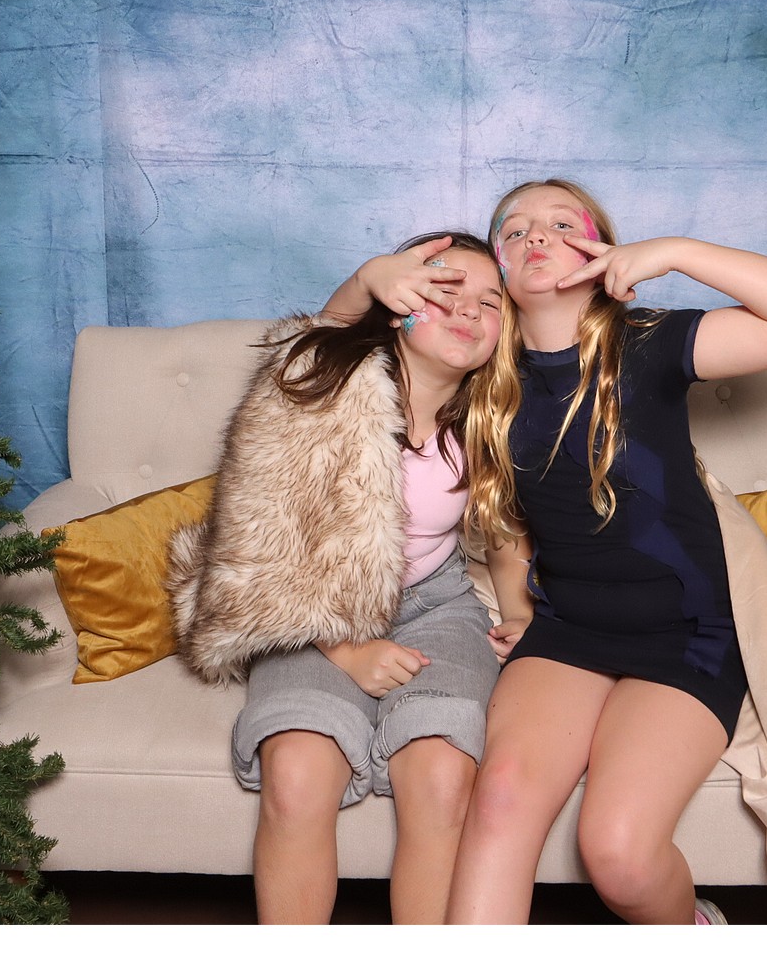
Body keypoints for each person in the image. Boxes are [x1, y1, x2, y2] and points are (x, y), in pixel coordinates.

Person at [437, 178, 767, 925]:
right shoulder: (480, 374)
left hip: (686, 634)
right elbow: (507, 520)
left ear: (601, 250)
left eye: (561, 224)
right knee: (497, 800)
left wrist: (677, 251)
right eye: (514, 230)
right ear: (497, 267)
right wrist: (519, 612)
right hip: (568, 630)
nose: (536, 235)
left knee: (619, 853)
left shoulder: (649, 342)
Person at [170, 231, 533, 925]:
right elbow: (263, 545)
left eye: (491, 303)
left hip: (436, 606)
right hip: (308, 605)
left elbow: (506, 526)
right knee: (296, 773)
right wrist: (344, 650)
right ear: (399, 306)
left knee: (440, 774)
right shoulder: (322, 384)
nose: (469, 309)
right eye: (445, 290)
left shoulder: (490, 417)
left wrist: (518, 611)